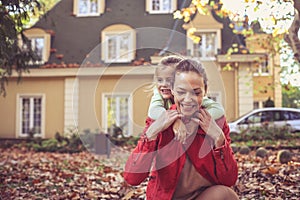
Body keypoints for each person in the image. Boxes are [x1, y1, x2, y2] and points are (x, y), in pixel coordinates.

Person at [124, 58, 238, 200]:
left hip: (202, 196)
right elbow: (132, 178)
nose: (188, 99)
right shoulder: (160, 120)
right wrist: (152, 133)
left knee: (226, 195)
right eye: (181, 92)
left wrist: (219, 139)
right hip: (167, 197)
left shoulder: (215, 121)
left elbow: (229, 180)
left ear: (205, 91)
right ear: (172, 91)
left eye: (196, 93)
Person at [148, 55, 225, 143]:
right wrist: (175, 121)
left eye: (169, 80)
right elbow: (153, 111)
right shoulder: (158, 93)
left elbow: (218, 109)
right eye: (160, 80)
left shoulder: (195, 98)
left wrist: (196, 121)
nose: (164, 84)